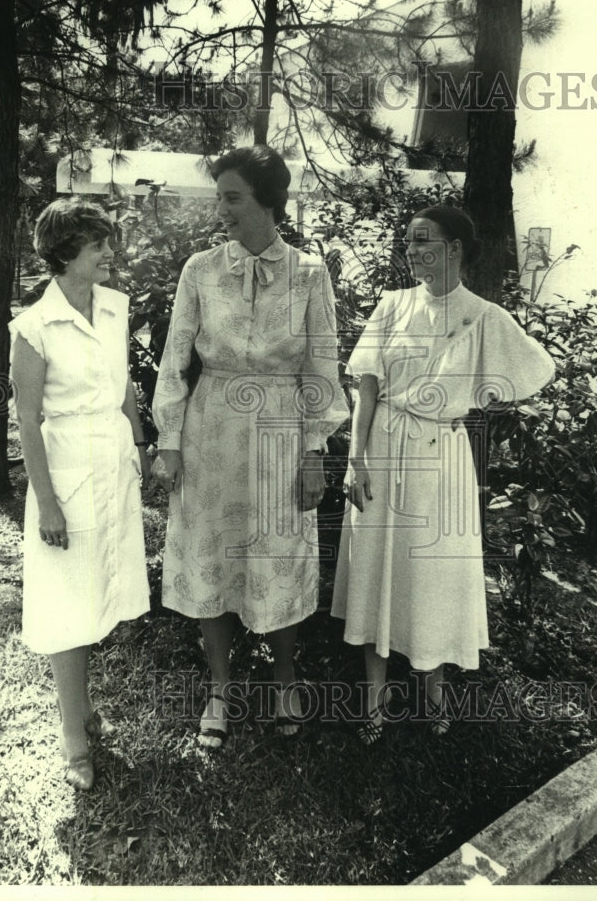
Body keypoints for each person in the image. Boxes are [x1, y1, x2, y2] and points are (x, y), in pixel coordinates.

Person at [331, 205, 556, 742]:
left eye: (423, 241)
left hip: (443, 452)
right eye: (407, 242)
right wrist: (355, 458)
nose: (410, 251)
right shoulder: (391, 306)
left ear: (455, 248)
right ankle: (374, 697)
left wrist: (470, 400)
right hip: (383, 447)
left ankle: (432, 689)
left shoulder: (485, 318)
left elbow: (534, 369)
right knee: (375, 563)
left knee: (432, 572)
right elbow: (366, 387)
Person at [151, 145, 348, 748]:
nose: (223, 211)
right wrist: (170, 440)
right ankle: (219, 687)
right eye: (220, 199)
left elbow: (321, 365)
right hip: (212, 431)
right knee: (212, 550)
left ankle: (285, 678)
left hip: (282, 435)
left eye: (233, 199)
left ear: (269, 201)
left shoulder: (311, 273)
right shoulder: (199, 269)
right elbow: (175, 357)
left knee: (280, 552)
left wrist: (315, 450)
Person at [9, 197, 150, 789]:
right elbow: (28, 421)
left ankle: (84, 709)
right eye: (99, 247)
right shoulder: (33, 328)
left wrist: (140, 450)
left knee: (101, 595)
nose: (110, 254)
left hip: (114, 464)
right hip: (66, 471)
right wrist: (47, 500)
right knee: (68, 606)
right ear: (66, 255)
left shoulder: (115, 309)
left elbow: (125, 391)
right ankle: (73, 736)